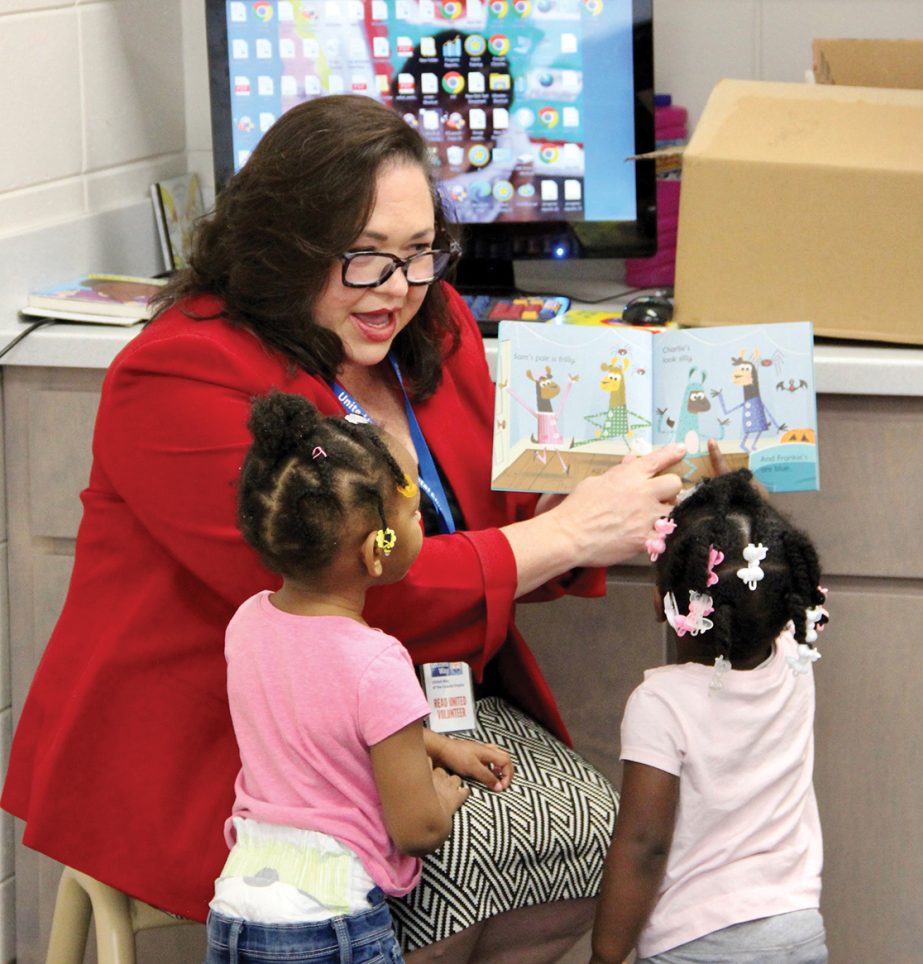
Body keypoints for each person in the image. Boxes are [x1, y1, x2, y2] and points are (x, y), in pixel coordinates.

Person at [2, 93, 689, 962]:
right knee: (445, 868)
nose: (397, 289)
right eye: (364, 259)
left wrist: (599, 498)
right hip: (238, 736)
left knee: (584, 841)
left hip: (404, 695)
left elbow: (481, 513)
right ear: (281, 250)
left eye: (418, 253)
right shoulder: (176, 373)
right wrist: (567, 537)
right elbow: (345, 591)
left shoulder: (427, 324)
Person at [207, 390, 511, 962]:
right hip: (330, 925)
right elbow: (415, 830)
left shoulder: (247, 623)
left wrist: (440, 745)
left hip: (237, 908)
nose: (421, 518)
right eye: (412, 512)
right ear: (378, 551)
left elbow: (325, 723)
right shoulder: (376, 661)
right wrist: (443, 796)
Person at [590, 469, 830, 964]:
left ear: (663, 604)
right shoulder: (795, 656)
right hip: (796, 928)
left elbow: (644, 845)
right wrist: (748, 500)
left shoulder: (661, 704)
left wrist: (605, 955)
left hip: (694, 942)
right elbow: (772, 575)